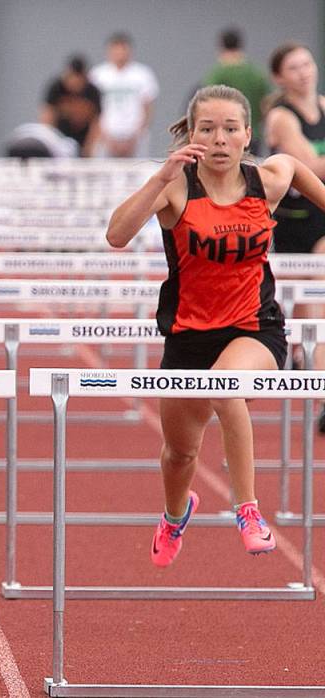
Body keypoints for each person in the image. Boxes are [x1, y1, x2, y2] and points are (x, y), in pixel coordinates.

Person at [106, 85, 325, 566]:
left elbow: (301, 173)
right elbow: (116, 235)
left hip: (255, 328)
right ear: (192, 134)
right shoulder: (176, 185)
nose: (219, 139)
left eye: (230, 129)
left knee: (227, 390)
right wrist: (160, 175)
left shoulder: (268, 178)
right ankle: (173, 514)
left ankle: (247, 509)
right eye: (207, 129)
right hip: (188, 335)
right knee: (179, 455)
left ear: (248, 135)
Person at [263, 42, 325, 432]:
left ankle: (318, 385)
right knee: (305, 299)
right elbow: (312, 164)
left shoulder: (323, 104)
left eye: (307, 63)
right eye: (294, 67)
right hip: (293, 220)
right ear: (280, 77)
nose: (303, 71)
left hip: (322, 215)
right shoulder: (281, 118)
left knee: (319, 285)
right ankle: (306, 362)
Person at [89, 32, 158, 157]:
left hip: (135, 137)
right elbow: (93, 109)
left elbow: (147, 107)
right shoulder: (97, 75)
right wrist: (104, 135)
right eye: (115, 50)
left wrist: (137, 135)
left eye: (123, 49)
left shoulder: (142, 74)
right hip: (106, 136)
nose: (119, 54)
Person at [203, 27, 271, 155]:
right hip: (252, 134)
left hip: (225, 135)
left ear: (221, 45)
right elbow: (267, 103)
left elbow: (208, 102)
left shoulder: (218, 74)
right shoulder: (256, 74)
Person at [40, 55, 102, 157]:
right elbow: (47, 116)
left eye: (78, 79)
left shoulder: (92, 91)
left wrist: (89, 148)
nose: (74, 83)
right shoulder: (56, 88)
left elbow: (97, 123)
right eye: (72, 77)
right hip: (60, 138)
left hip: (84, 139)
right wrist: (50, 142)